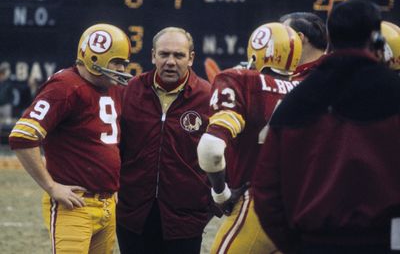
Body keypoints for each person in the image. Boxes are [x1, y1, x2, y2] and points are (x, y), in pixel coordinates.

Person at [253, 0, 400, 254]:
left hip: (314, 242)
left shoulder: (295, 101)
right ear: (376, 38)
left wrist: (296, 245)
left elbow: (266, 190)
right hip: (384, 241)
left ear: (331, 37)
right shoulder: (394, 92)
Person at [8, 23, 132, 254]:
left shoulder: (112, 88)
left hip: (107, 204)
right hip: (74, 204)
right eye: (118, 62)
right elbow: (22, 136)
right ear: (96, 58)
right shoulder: (66, 86)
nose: (123, 69)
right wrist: (51, 186)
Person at [197, 22, 306, 254]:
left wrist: (220, 193)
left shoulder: (243, 81)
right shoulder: (307, 88)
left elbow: (211, 148)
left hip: (258, 200)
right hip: (302, 205)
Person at [116, 27, 212, 254]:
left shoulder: (207, 97)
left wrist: (211, 199)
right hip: (133, 214)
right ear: (152, 56)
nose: (170, 61)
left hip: (186, 218)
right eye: (164, 54)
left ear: (191, 58)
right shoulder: (129, 92)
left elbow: (224, 151)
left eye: (178, 55)